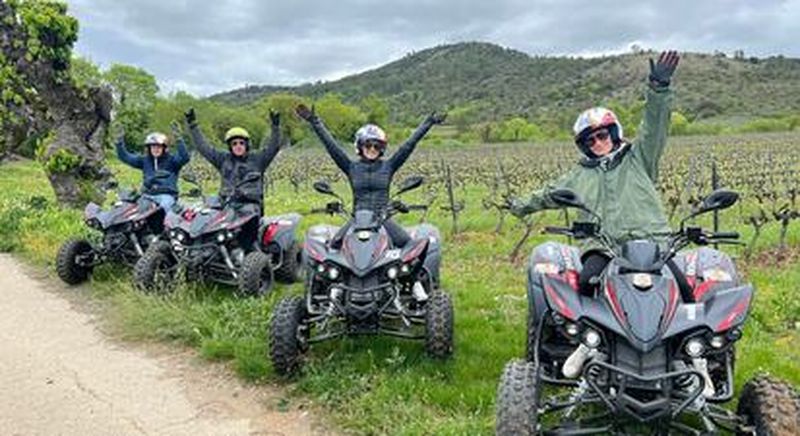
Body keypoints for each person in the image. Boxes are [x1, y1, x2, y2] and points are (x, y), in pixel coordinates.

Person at [507, 50, 682, 297]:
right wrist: (518, 205)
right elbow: (549, 194)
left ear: (613, 134)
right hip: (602, 247)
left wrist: (659, 89)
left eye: (602, 136)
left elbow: (655, 125)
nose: (598, 143)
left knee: (682, 288)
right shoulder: (579, 174)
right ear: (584, 146)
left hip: (652, 243)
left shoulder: (640, 157)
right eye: (590, 140)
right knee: (587, 285)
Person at [295, 104, 446, 248]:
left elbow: (408, 145)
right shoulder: (351, 167)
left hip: (383, 220)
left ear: (382, 149)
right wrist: (315, 122)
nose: (372, 149)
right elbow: (331, 146)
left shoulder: (389, 165)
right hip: (357, 220)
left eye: (377, 146)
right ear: (360, 147)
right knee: (333, 247)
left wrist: (428, 123)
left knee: (409, 246)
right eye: (368, 145)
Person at [184, 108, 281, 245]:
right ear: (230, 146)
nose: (238, 146)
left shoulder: (258, 159)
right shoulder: (223, 159)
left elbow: (274, 147)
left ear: (247, 144)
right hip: (227, 204)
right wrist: (193, 125)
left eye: (241, 143)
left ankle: (251, 252)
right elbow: (203, 147)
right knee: (204, 222)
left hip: (250, 205)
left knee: (247, 235)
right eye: (234, 143)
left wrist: (275, 126)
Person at [115, 123, 191, 211]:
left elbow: (185, 157)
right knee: (137, 211)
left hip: (166, 195)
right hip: (148, 195)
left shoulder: (172, 160)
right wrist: (119, 142)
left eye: (159, 147)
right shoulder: (144, 160)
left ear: (164, 148)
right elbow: (125, 157)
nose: (156, 149)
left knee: (162, 210)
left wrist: (179, 140)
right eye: (153, 146)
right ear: (149, 148)